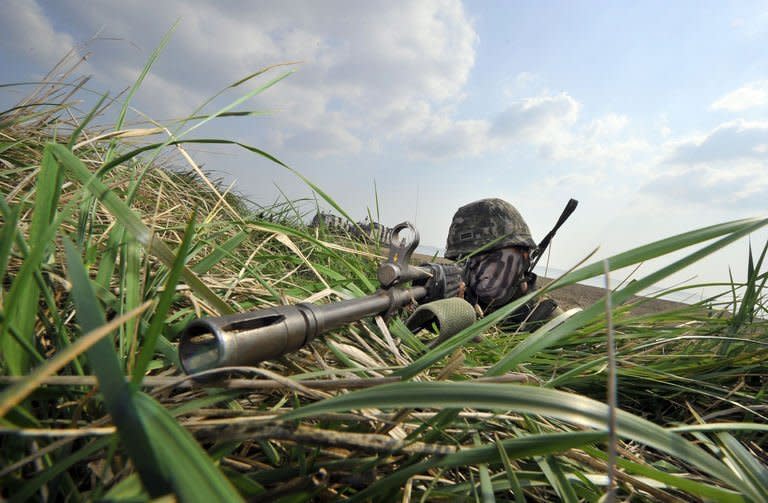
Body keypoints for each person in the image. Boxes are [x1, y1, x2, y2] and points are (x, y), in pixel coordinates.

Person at [444, 198, 561, 327]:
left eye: (488, 256)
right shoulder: (459, 305)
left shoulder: (554, 326)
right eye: (463, 260)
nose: (474, 268)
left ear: (524, 255)